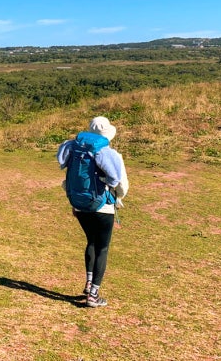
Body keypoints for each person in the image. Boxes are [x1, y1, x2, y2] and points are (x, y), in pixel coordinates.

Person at [57, 116, 129, 307]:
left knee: (91, 241)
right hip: (102, 206)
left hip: (79, 205)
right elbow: (121, 184)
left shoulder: (74, 147)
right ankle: (93, 295)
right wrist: (118, 199)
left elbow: (63, 166)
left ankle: (89, 283)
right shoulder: (109, 152)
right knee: (102, 248)